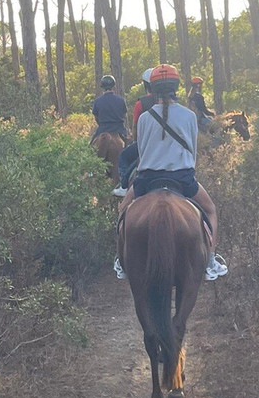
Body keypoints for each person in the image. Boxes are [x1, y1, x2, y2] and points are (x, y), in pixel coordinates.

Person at [113, 64, 228, 281]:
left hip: (147, 180)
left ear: (153, 89)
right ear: (175, 87)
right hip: (182, 178)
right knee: (211, 210)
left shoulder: (146, 117)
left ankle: (121, 260)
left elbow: (142, 151)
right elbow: (192, 152)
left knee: (122, 211)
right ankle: (211, 260)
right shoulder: (188, 116)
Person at [112, 68, 157, 197]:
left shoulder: (140, 104)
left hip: (145, 144)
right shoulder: (172, 103)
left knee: (124, 157)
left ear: (145, 85)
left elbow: (135, 127)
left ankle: (124, 185)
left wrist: (136, 140)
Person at [91, 74, 127, 142]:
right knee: (131, 145)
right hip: (119, 129)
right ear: (114, 86)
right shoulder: (121, 100)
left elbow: (96, 118)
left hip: (102, 129)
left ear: (102, 87)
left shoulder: (97, 101)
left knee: (90, 148)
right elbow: (124, 116)